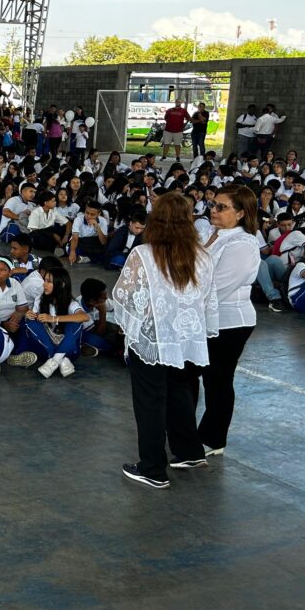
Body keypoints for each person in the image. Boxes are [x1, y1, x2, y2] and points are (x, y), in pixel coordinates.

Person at [111, 191, 218, 489]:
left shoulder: (144, 254)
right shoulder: (202, 256)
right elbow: (208, 300)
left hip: (153, 337)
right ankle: (189, 451)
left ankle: (153, 468)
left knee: (150, 400)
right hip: (185, 337)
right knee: (179, 391)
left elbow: (124, 296)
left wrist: (132, 327)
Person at [188, 185, 260, 458]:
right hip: (199, 316)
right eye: (213, 205)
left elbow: (217, 287)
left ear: (241, 213)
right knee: (188, 373)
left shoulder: (243, 245)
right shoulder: (209, 232)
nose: (214, 210)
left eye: (222, 207)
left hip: (230, 322)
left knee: (217, 379)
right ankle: (185, 430)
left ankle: (213, 438)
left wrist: (179, 299)